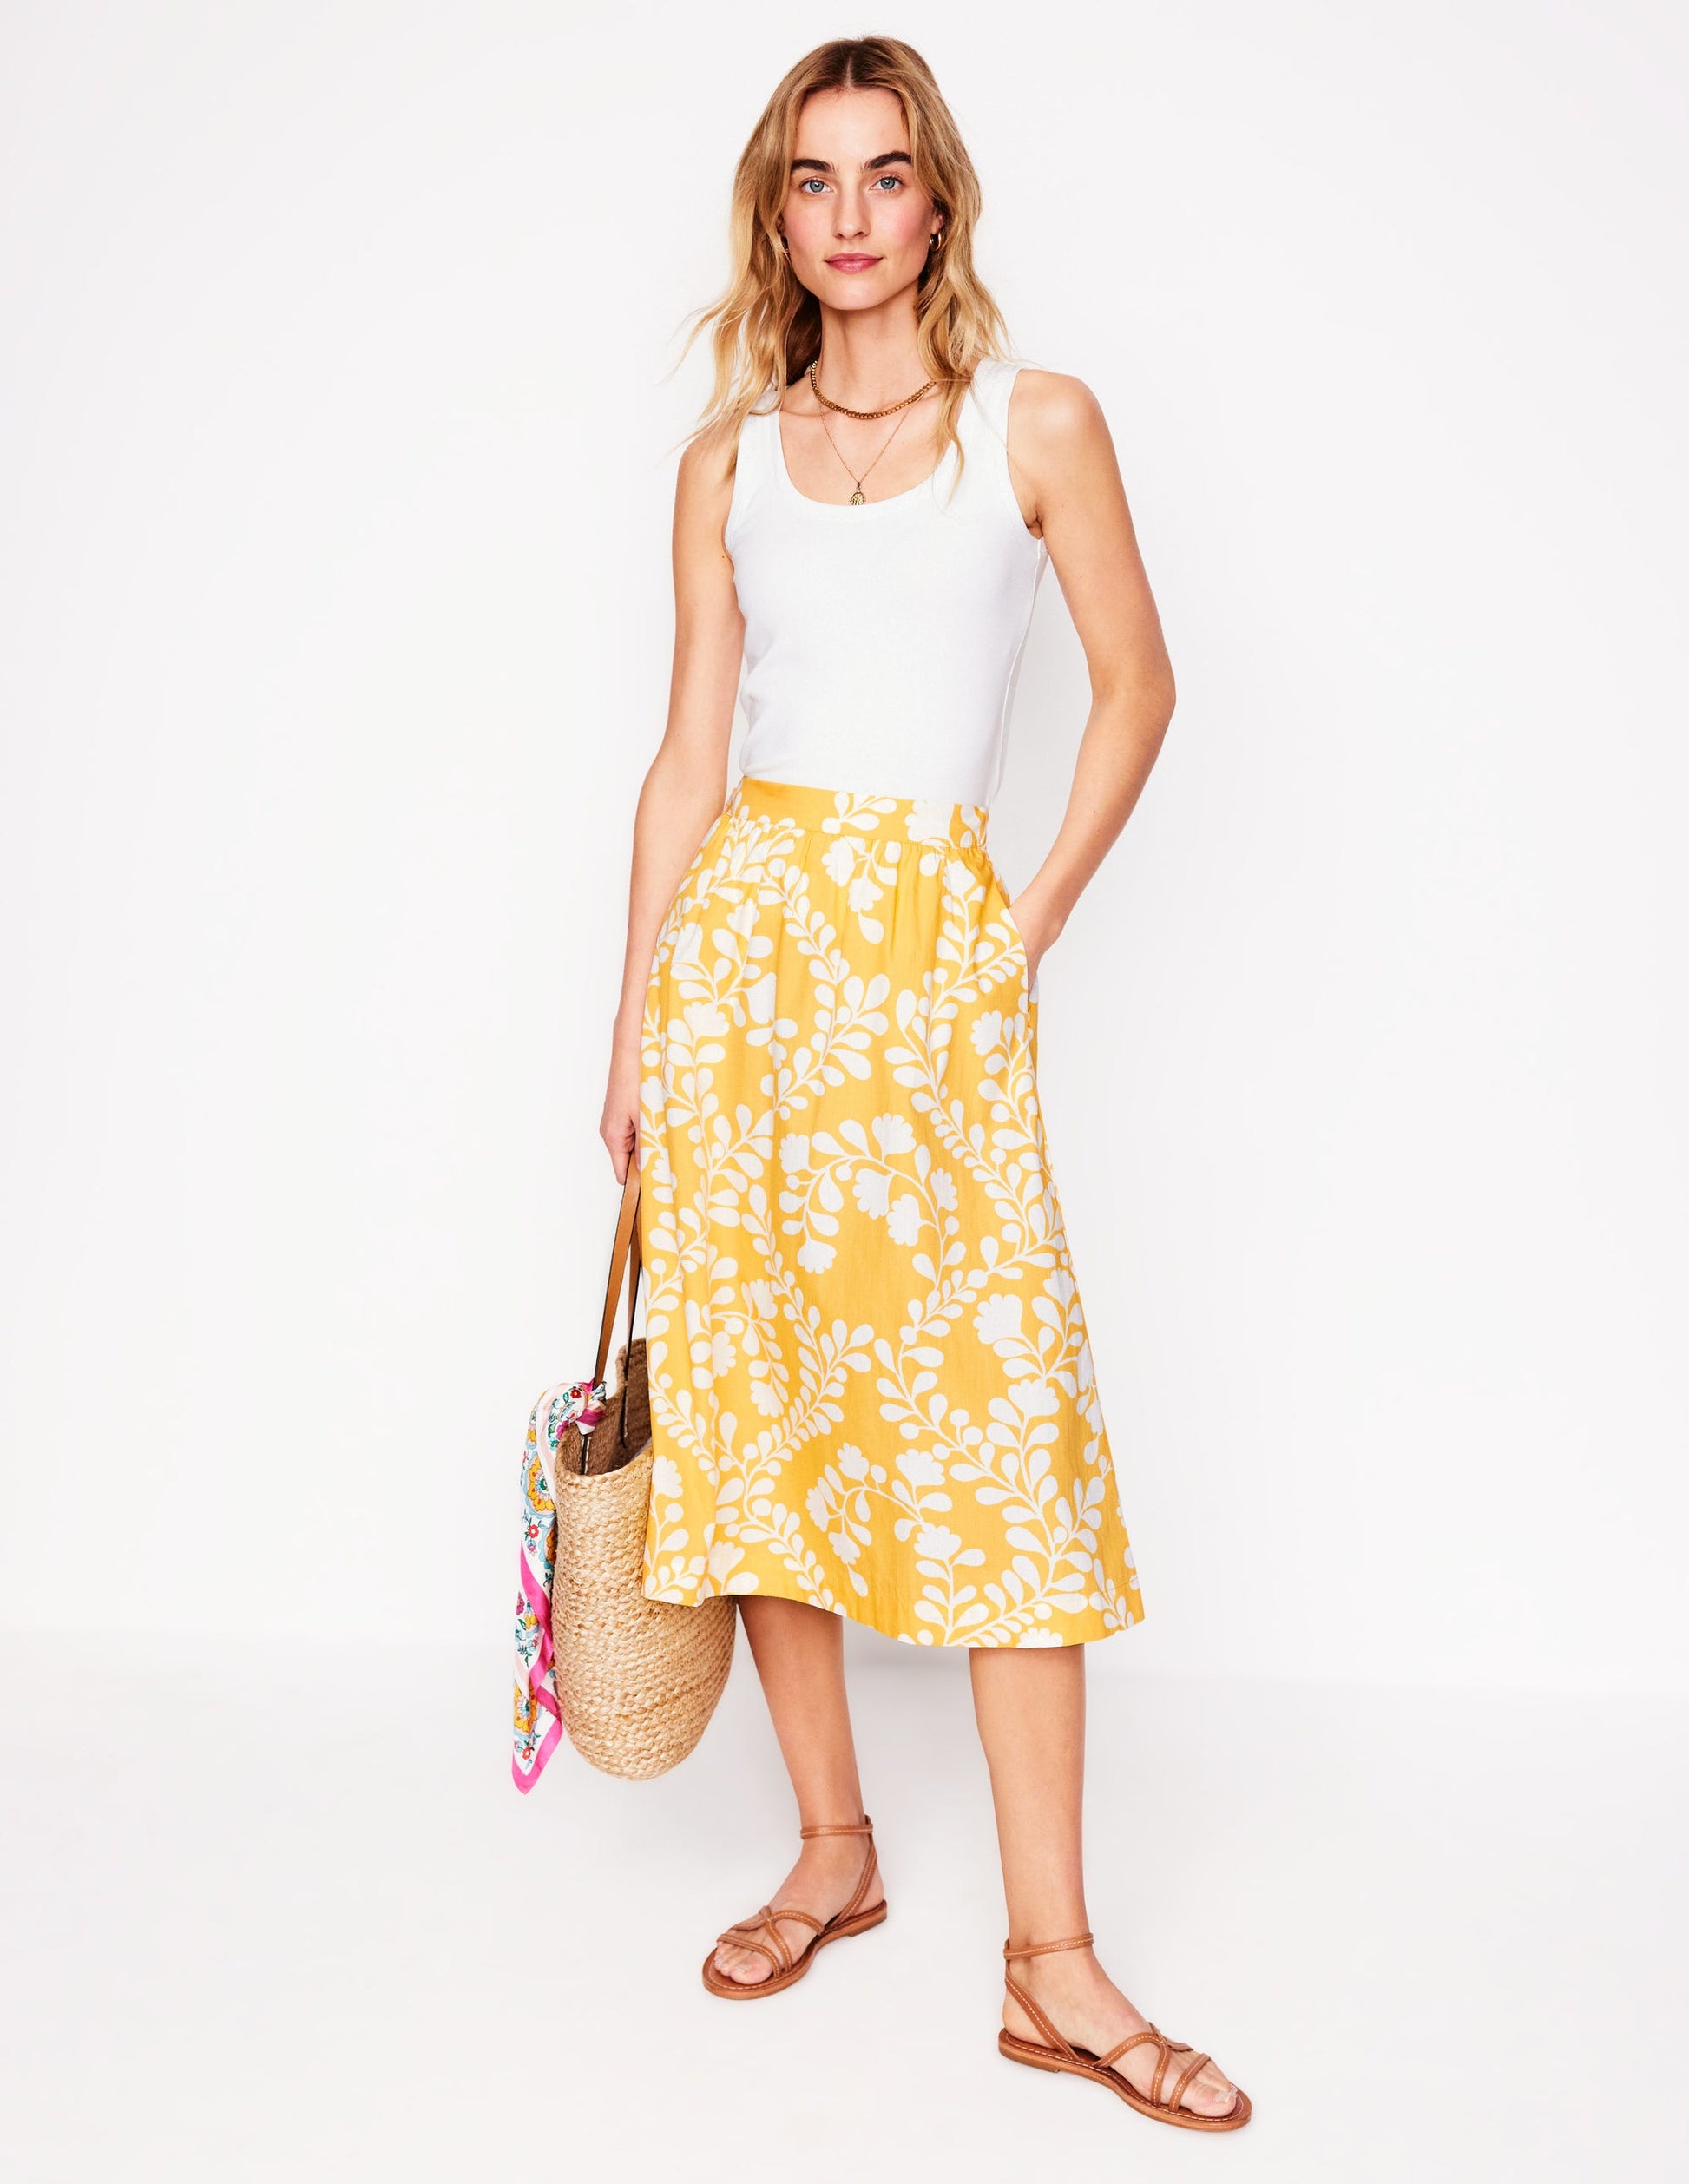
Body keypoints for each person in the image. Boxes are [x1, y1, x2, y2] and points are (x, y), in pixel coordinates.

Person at [597, 35, 1248, 2131]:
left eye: (885, 174)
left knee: (1003, 1441)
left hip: (927, 969)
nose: (851, 213)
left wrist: (1018, 918)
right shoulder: (724, 461)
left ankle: (1054, 1962)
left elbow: (1137, 687)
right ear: (775, 212)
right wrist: (631, 1028)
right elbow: (688, 757)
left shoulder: (1033, 423)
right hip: (743, 971)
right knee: (763, 1415)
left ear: (937, 199)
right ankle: (832, 1850)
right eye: (813, 179)